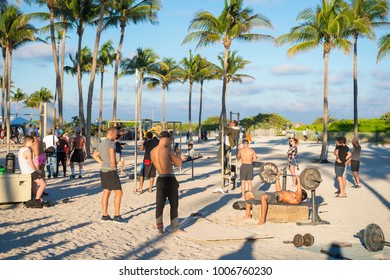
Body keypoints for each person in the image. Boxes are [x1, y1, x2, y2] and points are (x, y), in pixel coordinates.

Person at [150, 131, 184, 235]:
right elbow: (179, 163)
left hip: (160, 178)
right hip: (169, 179)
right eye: (170, 140)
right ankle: (175, 227)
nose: (170, 142)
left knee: (159, 204)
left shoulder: (152, 151)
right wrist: (178, 154)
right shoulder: (167, 149)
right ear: (166, 139)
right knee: (174, 204)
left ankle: (160, 228)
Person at [243, 174, 307, 225]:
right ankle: (247, 215)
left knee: (264, 196)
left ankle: (262, 220)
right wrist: (277, 178)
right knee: (247, 194)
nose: (297, 190)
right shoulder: (291, 192)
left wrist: (299, 180)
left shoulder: (297, 199)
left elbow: (299, 193)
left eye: (300, 191)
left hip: (276, 197)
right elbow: (278, 189)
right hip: (272, 194)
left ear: (302, 196)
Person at [92, 127, 125, 223]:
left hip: (103, 170)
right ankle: (117, 216)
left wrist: (102, 162)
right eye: (116, 134)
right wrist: (114, 166)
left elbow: (94, 155)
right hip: (110, 170)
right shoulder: (111, 144)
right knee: (119, 193)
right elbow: (111, 155)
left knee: (106, 192)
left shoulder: (101, 143)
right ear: (111, 133)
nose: (116, 136)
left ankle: (105, 215)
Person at [18, 135, 46, 206]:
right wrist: (37, 170)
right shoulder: (28, 151)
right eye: (32, 142)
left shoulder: (21, 150)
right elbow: (31, 163)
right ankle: (37, 200)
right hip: (30, 171)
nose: (33, 143)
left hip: (24, 171)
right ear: (27, 141)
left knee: (34, 186)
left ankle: (38, 199)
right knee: (43, 184)